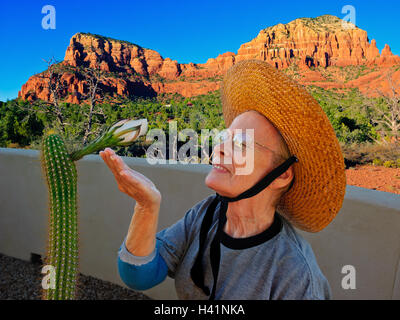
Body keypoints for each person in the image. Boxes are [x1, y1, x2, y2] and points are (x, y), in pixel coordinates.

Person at [100, 59, 346, 300]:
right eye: (224, 137)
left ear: (282, 174)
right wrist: (146, 206)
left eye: (240, 144)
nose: (218, 149)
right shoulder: (206, 214)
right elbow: (140, 276)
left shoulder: (295, 275)